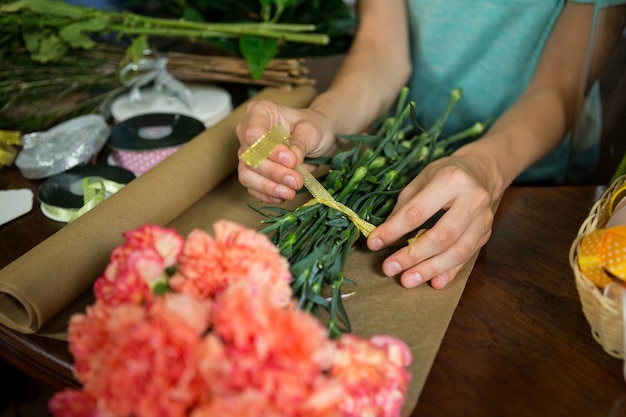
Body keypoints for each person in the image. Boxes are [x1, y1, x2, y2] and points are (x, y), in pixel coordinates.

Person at [235, 1, 604, 290]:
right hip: (400, 155)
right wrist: (324, 120)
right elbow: (381, 48)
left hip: (530, 181)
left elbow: (561, 88)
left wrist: (486, 167)